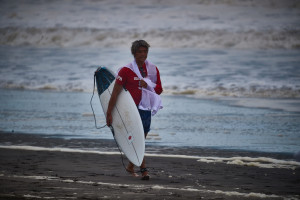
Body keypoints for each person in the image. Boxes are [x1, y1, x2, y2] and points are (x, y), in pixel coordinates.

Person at [106, 40, 163, 180]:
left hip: (146, 108)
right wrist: (109, 112)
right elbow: (115, 93)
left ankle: (131, 165)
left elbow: (159, 90)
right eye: (140, 52)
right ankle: (144, 170)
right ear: (134, 53)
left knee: (141, 139)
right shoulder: (126, 70)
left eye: (145, 51)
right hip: (131, 109)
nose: (143, 54)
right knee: (137, 139)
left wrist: (148, 84)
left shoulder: (153, 69)